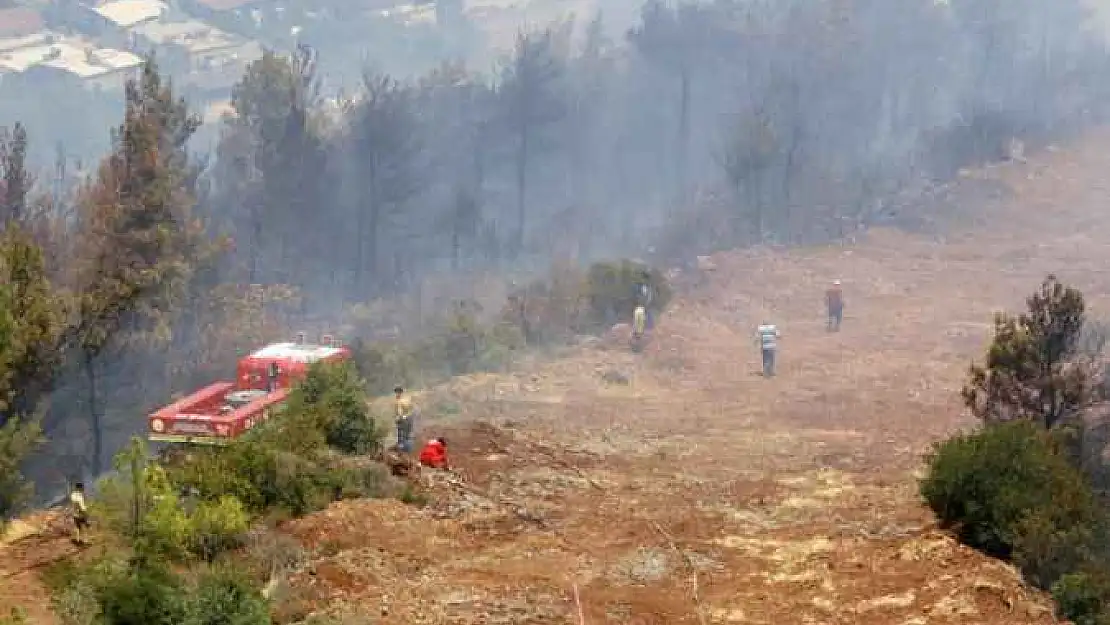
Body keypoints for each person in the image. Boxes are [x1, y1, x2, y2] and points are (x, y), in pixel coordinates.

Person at [394, 386, 415, 453]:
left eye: (397, 392)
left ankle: (403, 451)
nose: (397, 394)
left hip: (403, 420)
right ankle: (409, 450)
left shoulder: (399, 401)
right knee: (407, 435)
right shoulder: (407, 400)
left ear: (399, 393)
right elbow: (412, 409)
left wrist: (399, 418)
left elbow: (400, 413)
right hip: (409, 419)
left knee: (401, 436)